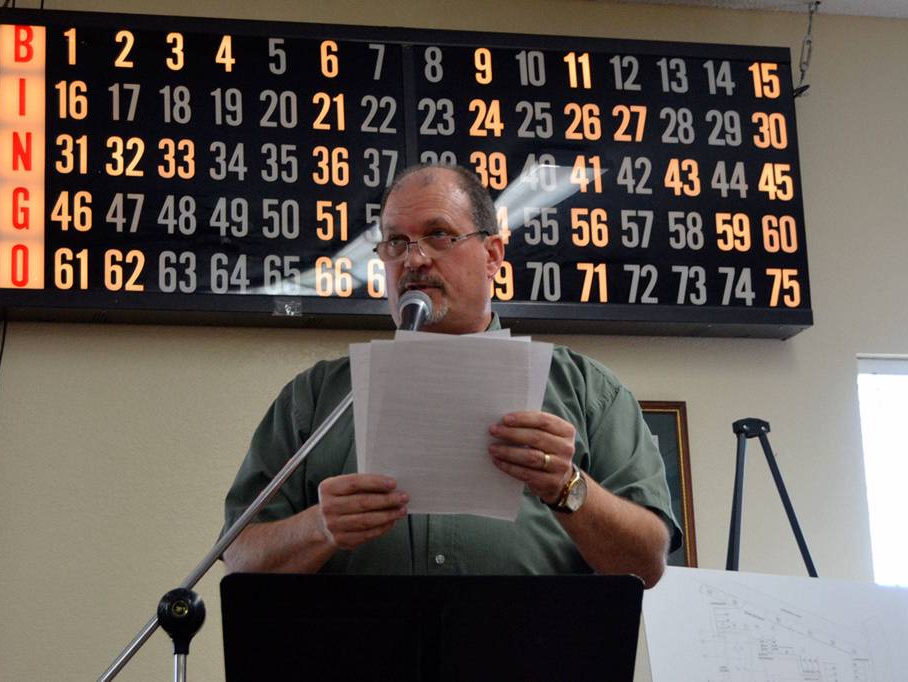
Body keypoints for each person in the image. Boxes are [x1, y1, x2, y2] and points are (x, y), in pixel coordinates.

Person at [223, 164, 681, 586]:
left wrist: (568, 487)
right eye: (395, 242)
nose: (414, 259)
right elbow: (240, 556)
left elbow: (647, 563)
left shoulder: (587, 391)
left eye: (438, 235)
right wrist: (319, 527)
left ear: (492, 255)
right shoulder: (317, 398)